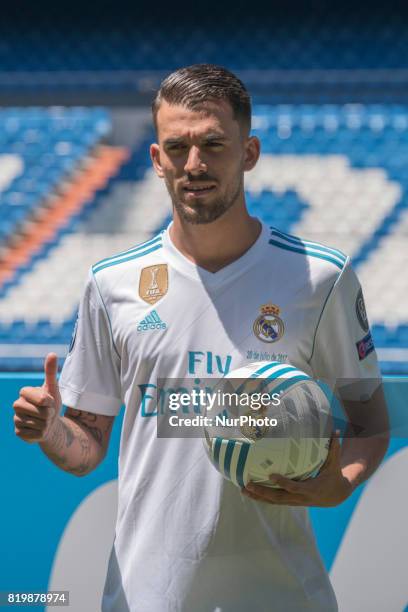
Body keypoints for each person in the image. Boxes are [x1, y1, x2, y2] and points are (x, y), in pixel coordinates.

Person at [13, 64, 389, 611]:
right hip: (146, 598)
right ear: (156, 159)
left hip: (280, 596)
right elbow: (88, 444)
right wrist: (52, 430)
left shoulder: (319, 277)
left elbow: (370, 421)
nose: (195, 164)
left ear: (250, 152)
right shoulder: (111, 283)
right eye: (178, 146)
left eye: (214, 143)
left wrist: (342, 480)